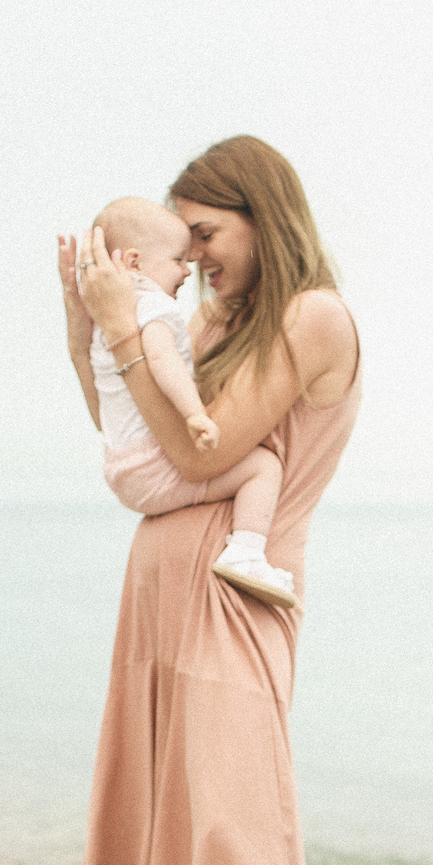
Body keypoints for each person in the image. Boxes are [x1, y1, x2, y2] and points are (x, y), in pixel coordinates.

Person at [57, 136, 361, 865]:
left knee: (242, 836)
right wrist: (86, 319)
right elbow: (123, 415)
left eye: (205, 234)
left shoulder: (309, 316)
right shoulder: (214, 322)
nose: (191, 257)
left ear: (259, 216)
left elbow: (200, 453)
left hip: (239, 595)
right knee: (191, 833)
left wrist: (125, 333)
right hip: (161, 588)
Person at [70, 197, 297, 609]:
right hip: (152, 467)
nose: (187, 267)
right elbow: (161, 357)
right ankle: (247, 551)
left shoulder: (106, 316)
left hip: (122, 466)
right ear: (136, 262)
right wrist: (194, 413)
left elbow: (94, 377)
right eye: (177, 257)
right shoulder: (154, 307)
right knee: (264, 466)